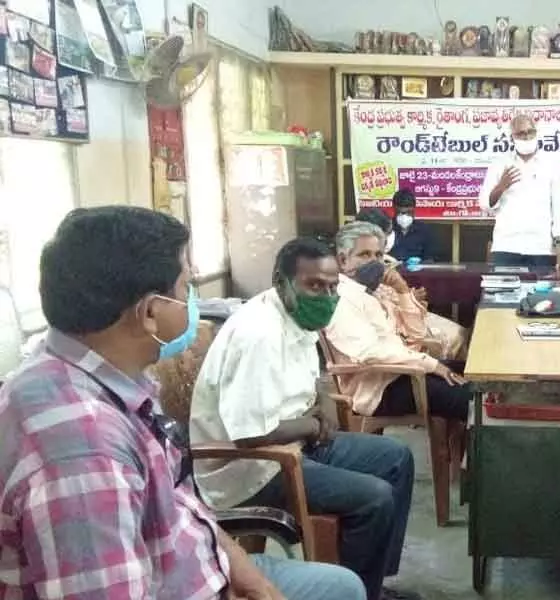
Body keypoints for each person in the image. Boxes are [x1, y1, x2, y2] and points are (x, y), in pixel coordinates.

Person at [0, 206, 364, 599]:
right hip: (180, 582)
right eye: (186, 287)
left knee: (339, 585)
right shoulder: (80, 447)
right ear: (151, 312)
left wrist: (257, 585)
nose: (193, 300)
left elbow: (184, 507)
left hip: (191, 561)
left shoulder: (115, 379)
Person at [188, 237, 418, 600]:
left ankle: (375, 583)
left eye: (331, 286)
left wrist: (324, 400)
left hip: (296, 442)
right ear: (282, 282)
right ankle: (355, 592)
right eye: (313, 285)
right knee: (375, 497)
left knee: (396, 458)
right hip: (252, 467)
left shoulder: (297, 314)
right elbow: (249, 434)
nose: (325, 296)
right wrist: (314, 425)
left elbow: (314, 377)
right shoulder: (258, 333)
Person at [325, 221, 471, 421]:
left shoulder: (375, 291)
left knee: (475, 374)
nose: (374, 262)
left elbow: (416, 335)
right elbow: (370, 353)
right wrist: (432, 365)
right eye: (364, 255)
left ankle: (459, 449)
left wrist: (402, 291)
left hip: (405, 371)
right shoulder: (341, 299)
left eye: (378, 255)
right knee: (470, 400)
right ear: (342, 260)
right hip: (378, 388)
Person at [354, 211, 469, 361]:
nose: (388, 240)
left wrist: (410, 297)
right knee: (456, 337)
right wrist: (408, 298)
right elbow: (382, 308)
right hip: (396, 327)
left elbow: (392, 296)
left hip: (408, 314)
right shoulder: (359, 271)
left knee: (462, 333)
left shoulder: (383, 261)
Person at [478, 113, 560, 268]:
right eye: (521, 133)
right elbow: (485, 204)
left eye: (530, 132)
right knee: (502, 292)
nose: (527, 136)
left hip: (541, 248)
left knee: (541, 292)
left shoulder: (551, 165)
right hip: (506, 245)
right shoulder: (499, 164)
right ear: (512, 137)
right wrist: (501, 187)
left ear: (536, 133)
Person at [388, 189, 434, 262]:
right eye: (400, 213)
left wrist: (419, 264)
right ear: (394, 209)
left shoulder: (424, 230)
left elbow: (429, 259)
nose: (404, 217)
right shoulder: (386, 228)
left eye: (409, 212)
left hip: (416, 272)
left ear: (414, 209)